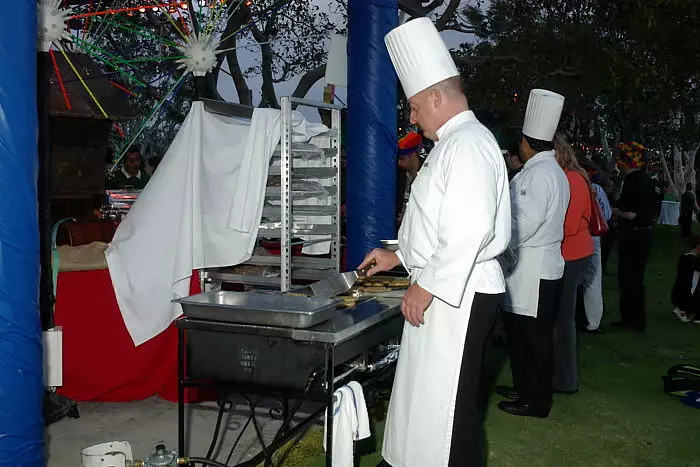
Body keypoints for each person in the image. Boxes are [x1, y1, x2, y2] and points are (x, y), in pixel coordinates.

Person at [364, 18, 511, 467]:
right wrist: (399, 256)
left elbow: (470, 229)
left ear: (435, 96)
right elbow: (438, 224)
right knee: (426, 402)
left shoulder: (467, 144)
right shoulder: (453, 143)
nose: (411, 118)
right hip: (449, 290)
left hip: (458, 294)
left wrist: (425, 285)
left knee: (449, 411)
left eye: (413, 107)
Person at [496, 89, 570, 419]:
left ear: (527, 142)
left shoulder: (539, 174)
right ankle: (527, 387)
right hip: (537, 266)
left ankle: (536, 400)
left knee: (532, 337)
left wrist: (499, 244)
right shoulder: (548, 170)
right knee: (525, 335)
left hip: (533, 268)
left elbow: (524, 221)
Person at [551, 134, 594, 394]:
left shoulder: (573, 179)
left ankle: (566, 380)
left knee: (563, 320)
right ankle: (560, 376)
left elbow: (569, 225)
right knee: (559, 318)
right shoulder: (567, 177)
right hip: (566, 252)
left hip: (572, 253)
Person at [612, 141, 656, 332]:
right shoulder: (646, 180)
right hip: (642, 235)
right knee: (633, 279)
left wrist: (615, 212)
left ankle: (633, 320)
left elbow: (631, 213)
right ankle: (632, 318)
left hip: (634, 235)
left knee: (629, 278)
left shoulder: (633, 182)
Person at [579, 164, 612, 333]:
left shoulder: (570, 185)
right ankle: (593, 321)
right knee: (592, 280)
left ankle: (581, 318)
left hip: (577, 236)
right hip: (592, 237)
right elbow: (606, 215)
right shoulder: (596, 189)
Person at [396, 132, 423, 225]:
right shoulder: (398, 176)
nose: (399, 162)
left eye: (402, 158)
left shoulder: (426, 176)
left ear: (413, 155)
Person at [671, 236, 700, 324]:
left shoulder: (685, 257)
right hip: (684, 294)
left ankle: (686, 311)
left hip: (680, 293)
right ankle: (685, 310)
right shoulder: (691, 260)